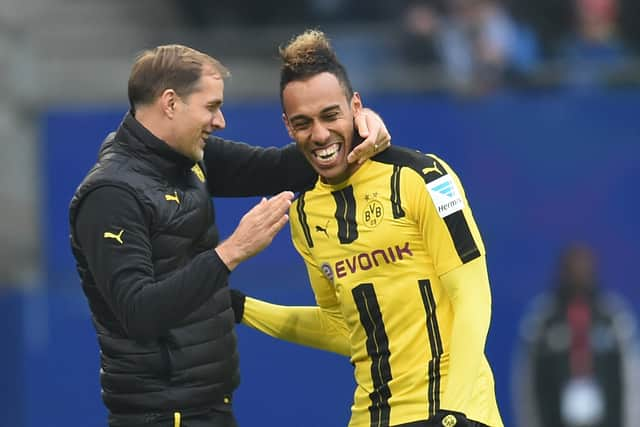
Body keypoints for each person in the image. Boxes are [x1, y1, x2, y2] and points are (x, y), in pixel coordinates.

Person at [68, 44, 390, 427]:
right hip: (160, 416)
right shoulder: (111, 194)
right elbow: (138, 313)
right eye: (211, 107)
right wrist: (232, 251)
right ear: (170, 103)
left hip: (208, 407)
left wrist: (358, 123)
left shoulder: (188, 158)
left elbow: (287, 167)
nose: (219, 121)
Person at [230, 29, 503, 427]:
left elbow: (473, 296)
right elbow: (343, 328)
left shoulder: (426, 177)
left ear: (355, 106)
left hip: (454, 412)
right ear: (288, 127)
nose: (320, 134)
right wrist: (244, 309)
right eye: (303, 123)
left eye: (330, 115)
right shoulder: (304, 215)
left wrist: (453, 414)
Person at [513, 243, 640, 427]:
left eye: (584, 269)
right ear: (562, 272)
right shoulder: (542, 319)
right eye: (573, 269)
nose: (579, 275)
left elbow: (631, 378)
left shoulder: (614, 316)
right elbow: (526, 382)